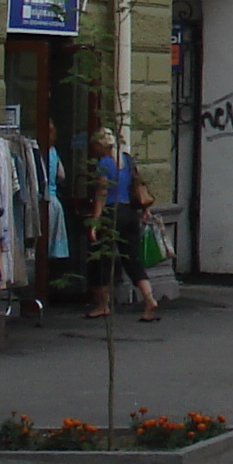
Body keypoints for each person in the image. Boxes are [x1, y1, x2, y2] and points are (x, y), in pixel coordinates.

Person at [82, 131, 161, 322]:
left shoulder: (104, 164)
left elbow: (102, 194)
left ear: (100, 146)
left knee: (101, 260)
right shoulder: (127, 160)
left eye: (95, 147)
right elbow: (137, 186)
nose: (94, 150)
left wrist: (95, 221)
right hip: (130, 214)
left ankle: (102, 305)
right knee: (131, 259)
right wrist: (144, 210)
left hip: (111, 214)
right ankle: (149, 298)